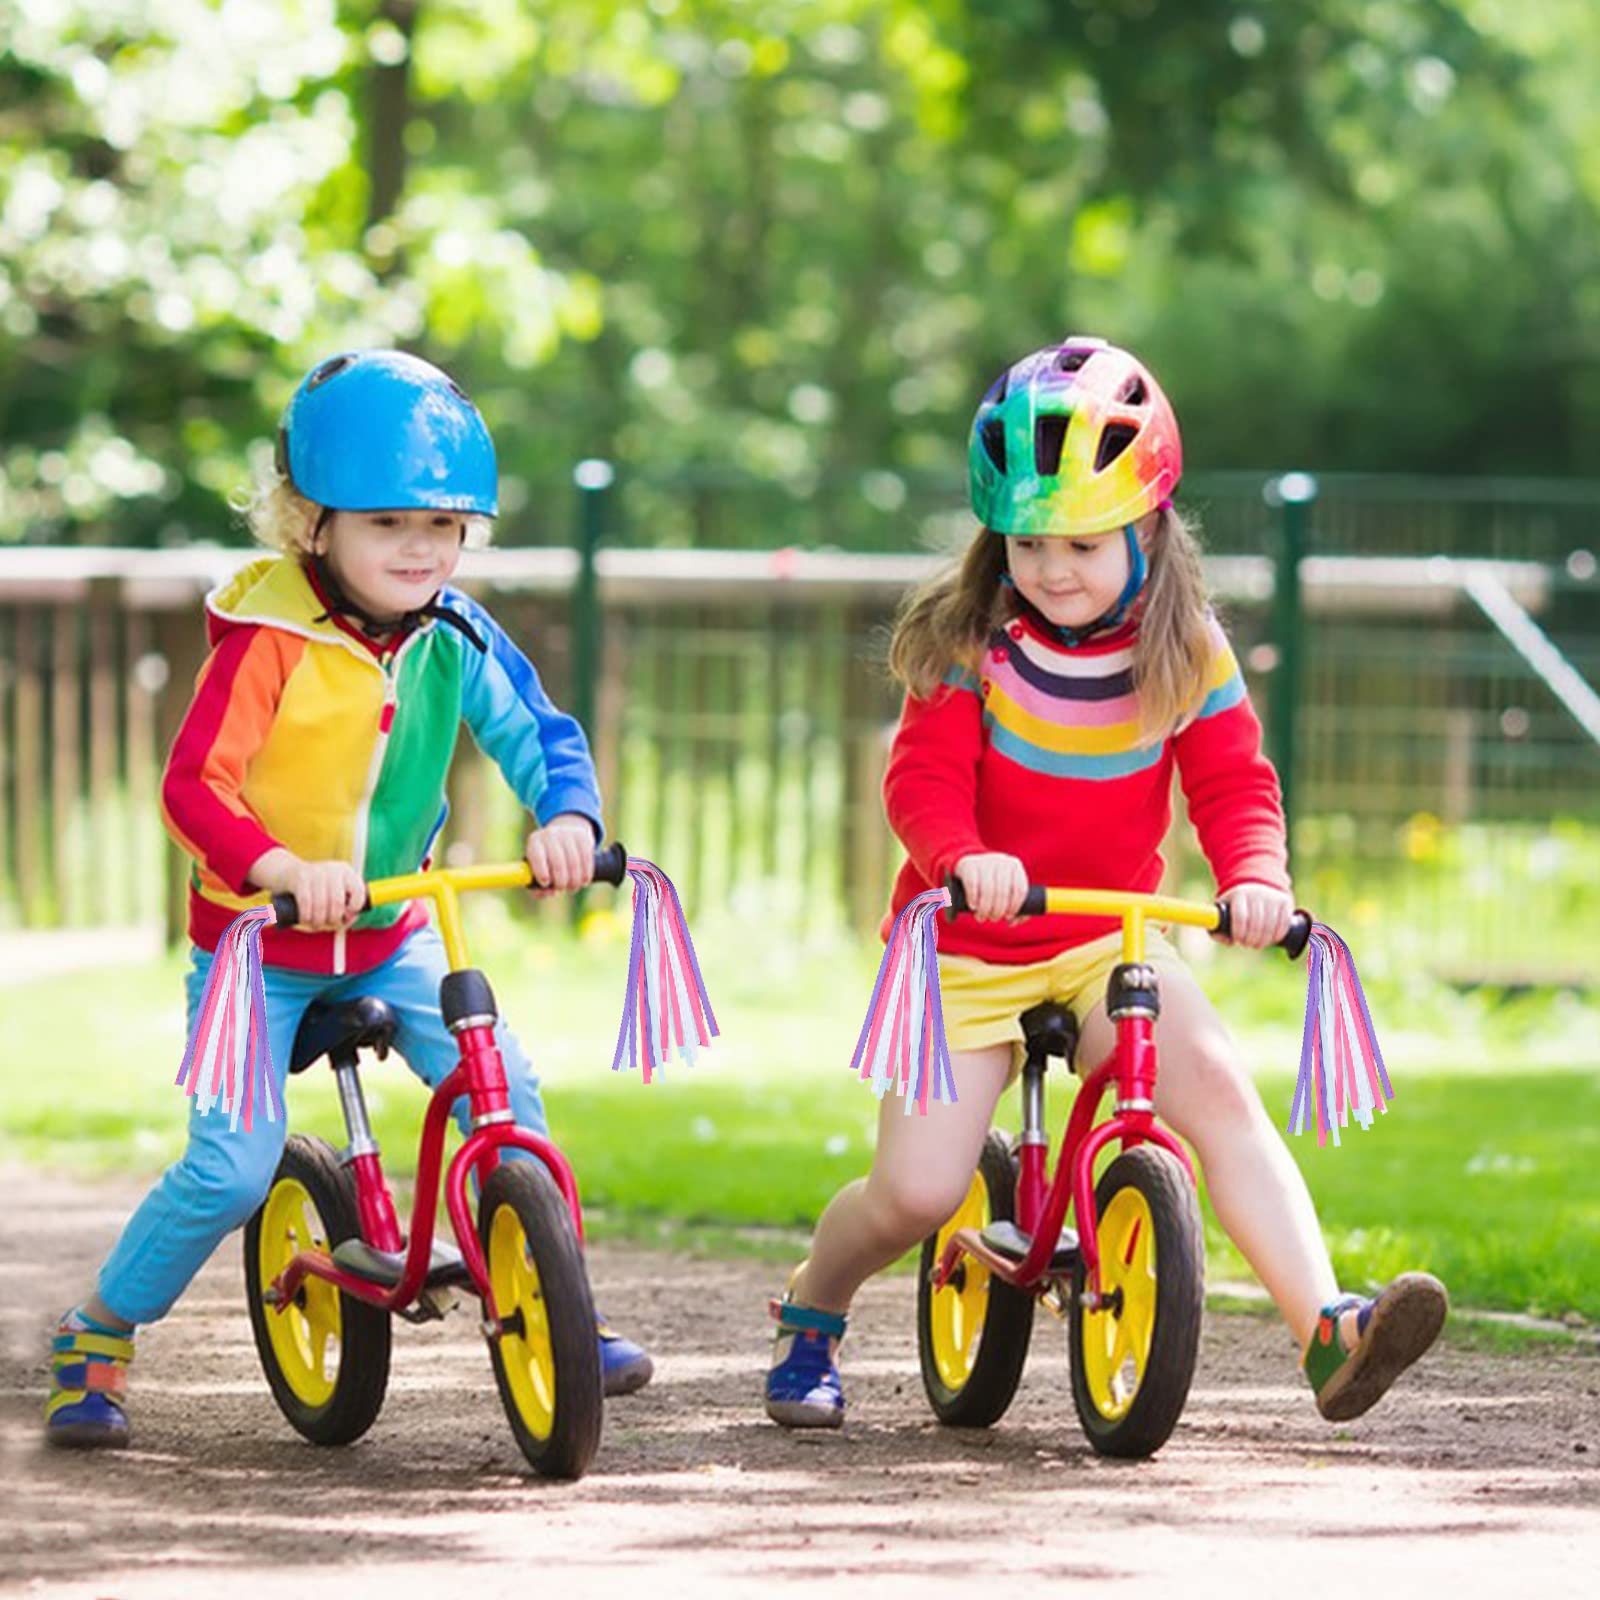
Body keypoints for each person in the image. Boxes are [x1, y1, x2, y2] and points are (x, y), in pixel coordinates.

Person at [765, 336, 1447, 1431]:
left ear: (1150, 524)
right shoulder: (968, 643)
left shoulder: (1186, 650)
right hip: (964, 947)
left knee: (1218, 1095)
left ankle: (1329, 1331)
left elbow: (1234, 784)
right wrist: (962, 859)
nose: (1052, 567)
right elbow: (921, 779)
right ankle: (815, 1303)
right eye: (1028, 540)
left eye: (1082, 540)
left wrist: (1254, 876)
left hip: (1106, 937)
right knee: (918, 1193)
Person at [46, 349, 652, 1448]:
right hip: (257, 945)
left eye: (443, 525)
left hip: (391, 929)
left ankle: (557, 1298)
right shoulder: (268, 641)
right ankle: (96, 1335)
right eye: (387, 524)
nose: (420, 549)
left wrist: (568, 818)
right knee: (230, 1169)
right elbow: (195, 786)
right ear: (310, 522)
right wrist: (275, 869)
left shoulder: (457, 633)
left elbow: (539, 733)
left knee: (501, 1089)